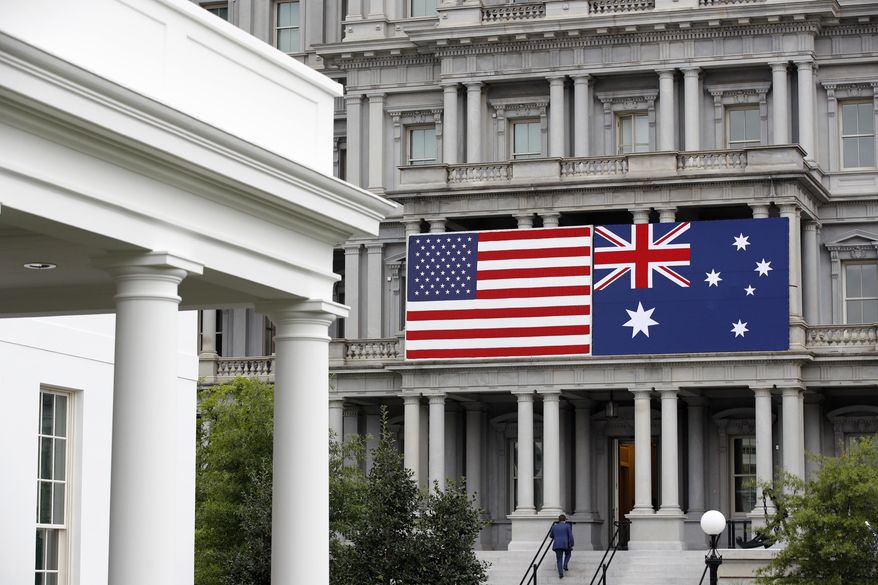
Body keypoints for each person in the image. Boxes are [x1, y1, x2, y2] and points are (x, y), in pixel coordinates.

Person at [549, 514, 574, 579]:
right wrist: (572, 543)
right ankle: (565, 565)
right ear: (565, 519)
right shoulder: (567, 526)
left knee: (559, 559)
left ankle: (561, 574)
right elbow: (570, 536)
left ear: (559, 520)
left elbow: (551, 535)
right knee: (568, 554)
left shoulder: (554, 526)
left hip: (557, 544)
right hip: (566, 544)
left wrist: (556, 536)